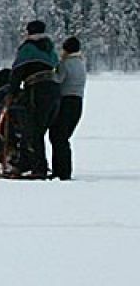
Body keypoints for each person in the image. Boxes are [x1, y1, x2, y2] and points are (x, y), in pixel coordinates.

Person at [9, 19, 61, 178]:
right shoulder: (49, 49)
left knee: (32, 129)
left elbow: (18, 71)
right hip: (54, 89)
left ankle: (37, 167)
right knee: (39, 129)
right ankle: (28, 163)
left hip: (37, 90)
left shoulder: (28, 49)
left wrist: (12, 92)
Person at [50, 36, 86, 180]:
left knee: (58, 136)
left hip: (66, 101)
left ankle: (61, 171)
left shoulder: (65, 64)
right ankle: (64, 170)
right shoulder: (81, 63)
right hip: (78, 101)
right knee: (64, 137)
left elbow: (57, 79)